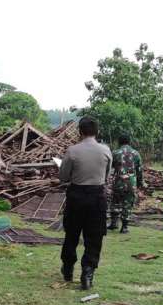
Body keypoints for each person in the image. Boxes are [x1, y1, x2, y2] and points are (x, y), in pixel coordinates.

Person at [58, 116, 112, 290]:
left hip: (76, 196)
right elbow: (106, 176)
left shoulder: (72, 151)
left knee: (71, 234)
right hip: (97, 196)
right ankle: (87, 273)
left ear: (79, 132)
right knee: (94, 237)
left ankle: (68, 268)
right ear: (97, 132)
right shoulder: (106, 151)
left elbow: (63, 176)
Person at [108, 134, 144, 234]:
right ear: (129, 142)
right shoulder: (136, 153)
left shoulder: (115, 153)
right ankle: (124, 227)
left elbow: (110, 167)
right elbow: (139, 170)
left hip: (118, 181)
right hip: (131, 181)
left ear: (119, 142)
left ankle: (114, 223)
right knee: (127, 203)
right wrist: (140, 183)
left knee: (115, 201)